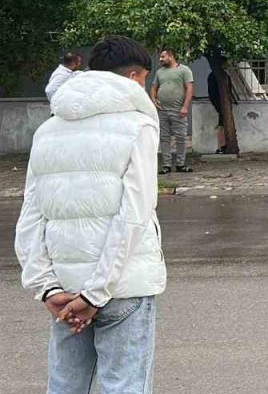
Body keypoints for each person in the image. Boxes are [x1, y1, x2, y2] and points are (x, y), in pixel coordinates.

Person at [15, 35, 166, 393]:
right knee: (125, 386)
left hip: (65, 288)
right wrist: (97, 293)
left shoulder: (48, 130)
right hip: (124, 285)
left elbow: (31, 218)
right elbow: (134, 215)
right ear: (134, 78)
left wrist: (46, 287)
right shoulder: (138, 127)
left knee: (65, 386)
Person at [150, 49, 194, 174]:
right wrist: (153, 99)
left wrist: (185, 107)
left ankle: (180, 164)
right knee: (164, 138)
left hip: (178, 110)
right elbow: (154, 87)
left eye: (163, 57)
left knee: (180, 137)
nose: (160, 59)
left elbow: (189, 89)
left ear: (171, 56)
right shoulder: (160, 72)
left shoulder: (184, 70)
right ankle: (166, 165)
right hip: (162, 110)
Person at [207, 68, 234, 155]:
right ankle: (221, 146)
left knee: (223, 124)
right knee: (221, 124)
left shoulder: (224, 75)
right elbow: (212, 92)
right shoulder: (216, 75)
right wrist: (217, 103)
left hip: (223, 102)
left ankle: (223, 145)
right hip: (221, 102)